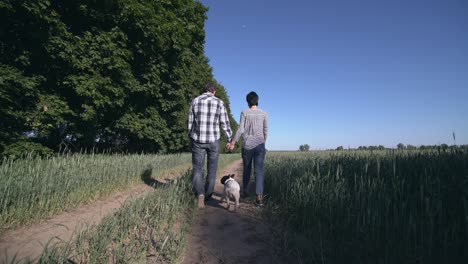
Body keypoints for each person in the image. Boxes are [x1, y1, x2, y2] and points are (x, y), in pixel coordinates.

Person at [188, 83, 233, 208]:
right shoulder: (219, 102)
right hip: (214, 140)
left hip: (198, 140)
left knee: (197, 169)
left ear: (204, 90)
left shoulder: (195, 101)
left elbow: (190, 122)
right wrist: (230, 139)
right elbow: (225, 123)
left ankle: (200, 194)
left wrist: (190, 136)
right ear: (214, 91)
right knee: (212, 170)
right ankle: (208, 196)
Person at [228, 91, 268, 207]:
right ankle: (259, 198)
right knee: (259, 171)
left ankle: (245, 192)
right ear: (257, 100)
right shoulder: (264, 113)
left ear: (247, 102)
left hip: (247, 145)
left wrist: (233, 142)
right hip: (260, 145)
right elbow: (266, 130)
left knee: (247, 169)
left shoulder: (244, 112)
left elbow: (240, 129)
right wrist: (262, 141)